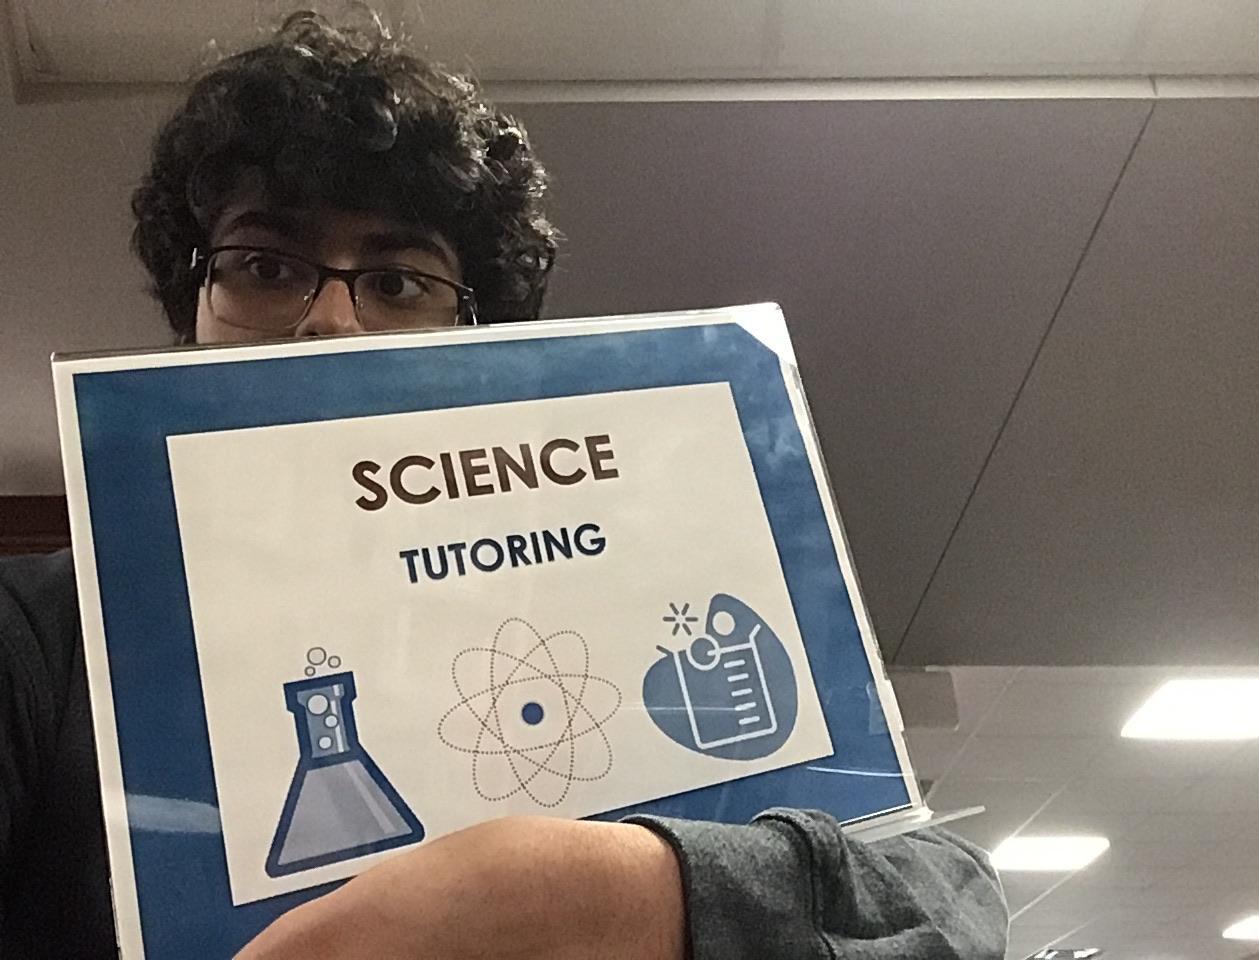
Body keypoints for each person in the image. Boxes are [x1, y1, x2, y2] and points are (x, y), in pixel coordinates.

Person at [0, 11, 1008, 959]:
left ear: (471, 338)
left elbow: (946, 904)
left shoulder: (610, 587)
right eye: (265, 266)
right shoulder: (43, 634)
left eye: (397, 282)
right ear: (195, 306)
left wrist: (621, 892)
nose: (330, 321)